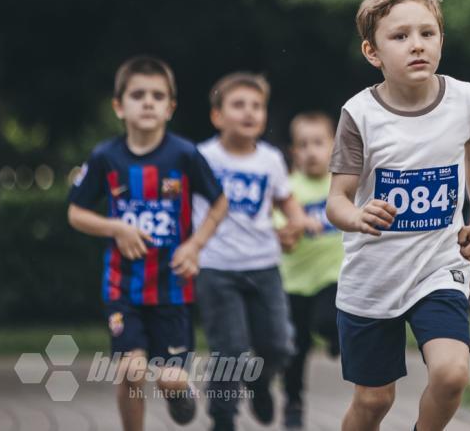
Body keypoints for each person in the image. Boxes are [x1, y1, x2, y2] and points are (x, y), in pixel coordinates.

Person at [326, 0, 470, 431]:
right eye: (400, 37)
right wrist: (358, 216)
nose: (416, 45)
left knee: (452, 373)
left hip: (437, 265)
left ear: (441, 38)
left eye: (427, 33)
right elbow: (336, 202)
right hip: (373, 274)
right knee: (374, 401)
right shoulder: (359, 116)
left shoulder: (464, 99)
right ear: (373, 53)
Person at [68, 55, 228, 431]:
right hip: (123, 287)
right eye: (137, 95)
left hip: (173, 287)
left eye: (157, 96)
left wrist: (194, 246)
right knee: (130, 371)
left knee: (169, 377)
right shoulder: (106, 157)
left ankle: (178, 390)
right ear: (119, 106)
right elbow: (76, 213)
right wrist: (115, 228)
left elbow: (220, 201)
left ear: (170, 108)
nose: (147, 102)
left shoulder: (185, 154)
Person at [192, 72, 306, 431]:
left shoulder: (271, 159)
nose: (248, 112)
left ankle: (259, 381)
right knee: (231, 351)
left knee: (279, 345)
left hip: (264, 267)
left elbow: (287, 201)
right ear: (217, 116)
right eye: (238, 105)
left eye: (256, 106)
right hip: (216, 268)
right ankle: (222, 418)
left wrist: (297, 222)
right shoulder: (200, 157)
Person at [276, 111, 344, 429]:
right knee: (295, 350)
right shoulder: (289, 191)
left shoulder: (342, 184)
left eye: (318, 143)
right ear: (293, 152)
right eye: (303, 145)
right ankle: (293, 402)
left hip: (334, 275)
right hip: (294, 283)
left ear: (333, 146)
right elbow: (283, 239)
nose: (311, 151)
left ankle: (337, 337)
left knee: (327, 318)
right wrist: (293, 229)